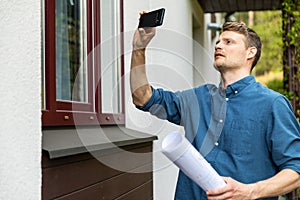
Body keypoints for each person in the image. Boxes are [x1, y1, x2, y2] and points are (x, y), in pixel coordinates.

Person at [130, 14, 300, 200]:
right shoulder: (197, 98)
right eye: (218, 42)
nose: (218, 45)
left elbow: (296, 170)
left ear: (250, 52)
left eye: (229, 42)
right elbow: (143, 98)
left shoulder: (273, 104)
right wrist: (139, 48)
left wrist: (250, 191)